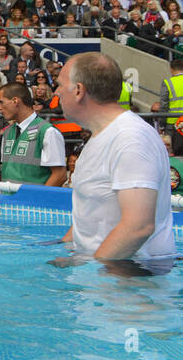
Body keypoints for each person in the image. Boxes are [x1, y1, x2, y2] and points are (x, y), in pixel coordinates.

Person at [53, 53, 176, 274]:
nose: (57, 92)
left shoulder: (130, 139)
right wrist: (61, 249)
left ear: (79, 91)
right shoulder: (100, 136)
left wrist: (93, 269)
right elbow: (91, 209)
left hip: (129, 289)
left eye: (61, 85)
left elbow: (138, 227)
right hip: (104, 280)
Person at [0, 82, 67, 186]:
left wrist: (37, 200)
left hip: (32, 201)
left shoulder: (48, 132)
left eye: (1, 102)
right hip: (9, 201)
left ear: (15, 101)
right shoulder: (7, 132)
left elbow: (60, 175)